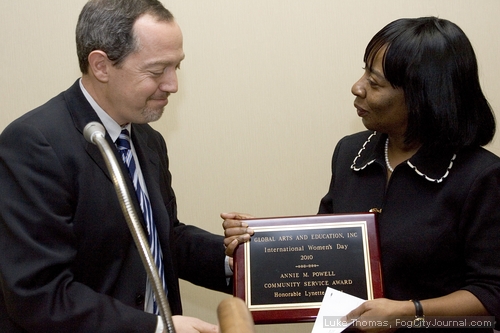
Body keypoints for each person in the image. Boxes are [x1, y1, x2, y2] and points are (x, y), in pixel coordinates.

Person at [222, 17, 500, 332]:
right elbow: (325, 250)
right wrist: (254, 249)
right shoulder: (351, 153)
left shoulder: (482, 178)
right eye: (364, 71)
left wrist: (411, 312)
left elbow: (492, 295)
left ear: (423, 96)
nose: (357, 87)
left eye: (375, 82)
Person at [0, 0, 231, 332]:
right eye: (156, 71)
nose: (172, 85)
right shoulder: (34, 144)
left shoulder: (147, 139)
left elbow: (160, 238)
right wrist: (154, 328)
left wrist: (240, 263)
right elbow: (39, 294)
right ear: (101, 66)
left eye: (176, 67)